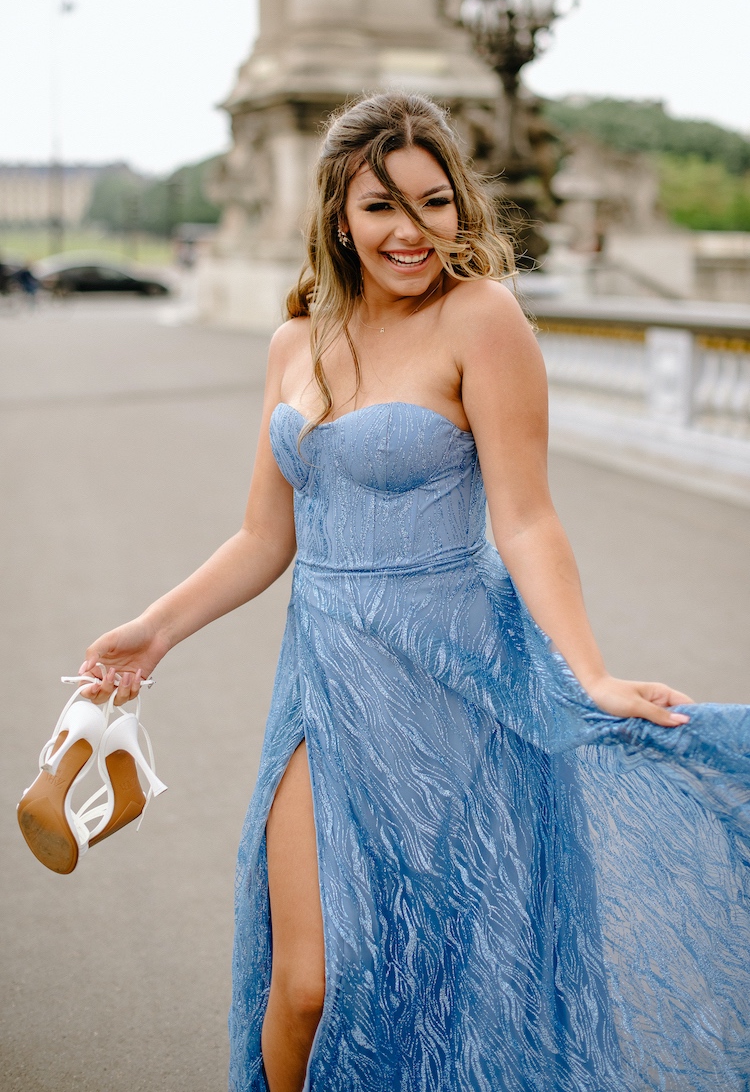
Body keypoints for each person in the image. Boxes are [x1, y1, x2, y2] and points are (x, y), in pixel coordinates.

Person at [77, 93, 749, 1092]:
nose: (411, 231)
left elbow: (526, 519)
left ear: (460, 207)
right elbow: (268, 536)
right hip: (325, 683)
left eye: (433, 204)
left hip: (456, 687)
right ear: (339, 217)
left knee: (445, 965)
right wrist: (154, 633)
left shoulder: (481, 318)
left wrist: (589, 671)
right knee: (307, 983)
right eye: (382, 207)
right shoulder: (295, 339)